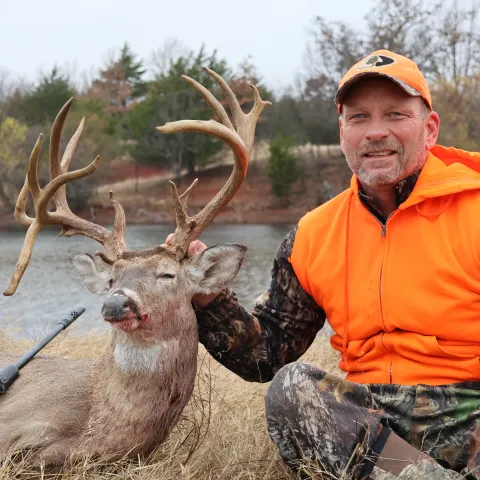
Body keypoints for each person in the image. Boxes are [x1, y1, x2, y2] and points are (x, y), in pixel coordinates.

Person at [167, 50, 480, 479]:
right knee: (292, 389)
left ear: (429, 128)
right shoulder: (314, 235)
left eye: (395, 114)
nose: (375, 132)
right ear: (341, 132)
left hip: (471, 408)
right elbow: (268, 352)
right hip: (371, 419)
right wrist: (207, 299)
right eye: (358, 118)